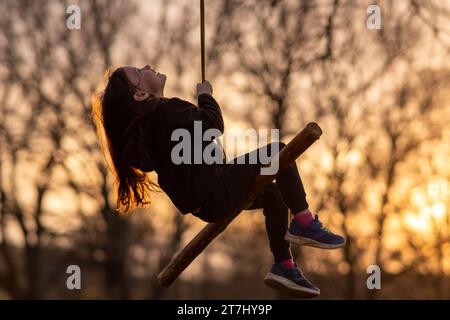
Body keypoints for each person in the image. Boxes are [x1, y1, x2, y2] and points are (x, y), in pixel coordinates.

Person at [93, 65, 346, 298]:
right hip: (217, 190)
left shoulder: (147, 132)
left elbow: (192, 157)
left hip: (207, 205)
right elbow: (213, 125)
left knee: (274, 196)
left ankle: (285, 266)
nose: (146, 67)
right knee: (277, 152)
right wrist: (205, 96)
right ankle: (303, 221)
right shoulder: (168, 110)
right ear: (139, 95)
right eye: (138, 72)